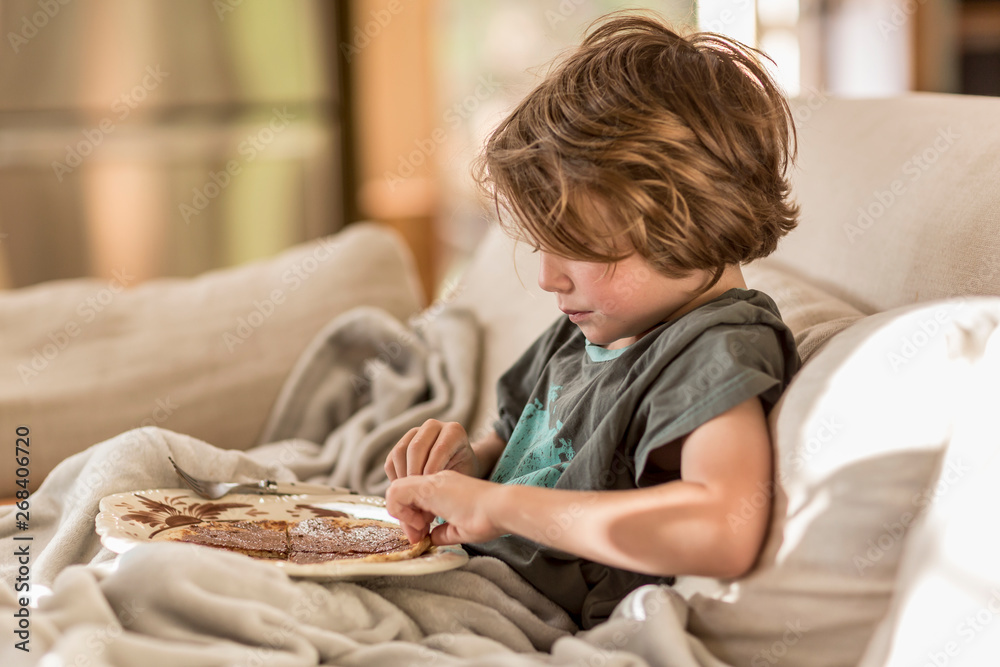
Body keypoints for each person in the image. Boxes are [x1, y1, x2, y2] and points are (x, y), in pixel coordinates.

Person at [384, 12, 802, 630]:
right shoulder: (594, 324)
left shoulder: (716, 346)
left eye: (576, 245)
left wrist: (497, 505)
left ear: (682, 220)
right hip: (468, 573)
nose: (550, 278)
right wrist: (463, 467)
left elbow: (723, 527)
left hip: (528, 615)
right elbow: (519, 449)